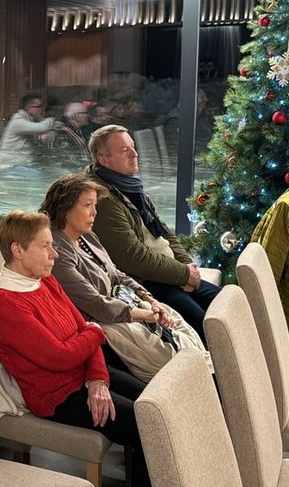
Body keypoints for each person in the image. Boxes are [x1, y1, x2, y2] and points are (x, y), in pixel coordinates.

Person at [0, 210, 152, 487]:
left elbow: (84, 328)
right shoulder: (5, 306)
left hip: (85, 373)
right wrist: (94, 333)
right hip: (58, 396)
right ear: (18, 251)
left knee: (154, 403)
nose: (55, 254)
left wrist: (97, 379)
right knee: (147, 427)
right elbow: (61, 356)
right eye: (45, 246)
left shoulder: (45, 280)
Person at [42, 174, 210, 381]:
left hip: (127, 305)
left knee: (181, 329)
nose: (94, 212)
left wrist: (149, 299)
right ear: (65, 209)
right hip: (104, 322)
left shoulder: (87, 236)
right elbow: (94, 303)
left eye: (95, 205)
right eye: (87, 205)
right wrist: (145, 314)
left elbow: (117, 274)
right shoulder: (58, 252)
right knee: (177, 357)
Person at [84, 125, 220, 338]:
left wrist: (187, 267)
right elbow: (131, 256)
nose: (135, 154)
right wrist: (183, 274)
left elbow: (164, 232)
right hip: (148, 282)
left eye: (133, 147)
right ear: (104, 160)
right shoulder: (103, 198)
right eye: (124, 150)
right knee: (211, 329)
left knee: (227, 305)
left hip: (170, 273)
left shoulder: (129, 185)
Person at [0, 94, 59, 170]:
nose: (42, 109)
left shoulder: (30, 120)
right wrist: (53, 117)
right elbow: (43, 127)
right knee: (47, 174)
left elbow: (46, 128)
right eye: (39, 106)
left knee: (51, 169)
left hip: (21, 165)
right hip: (9, 167)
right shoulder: (18, 120)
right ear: (28, 108)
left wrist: (42, 135)